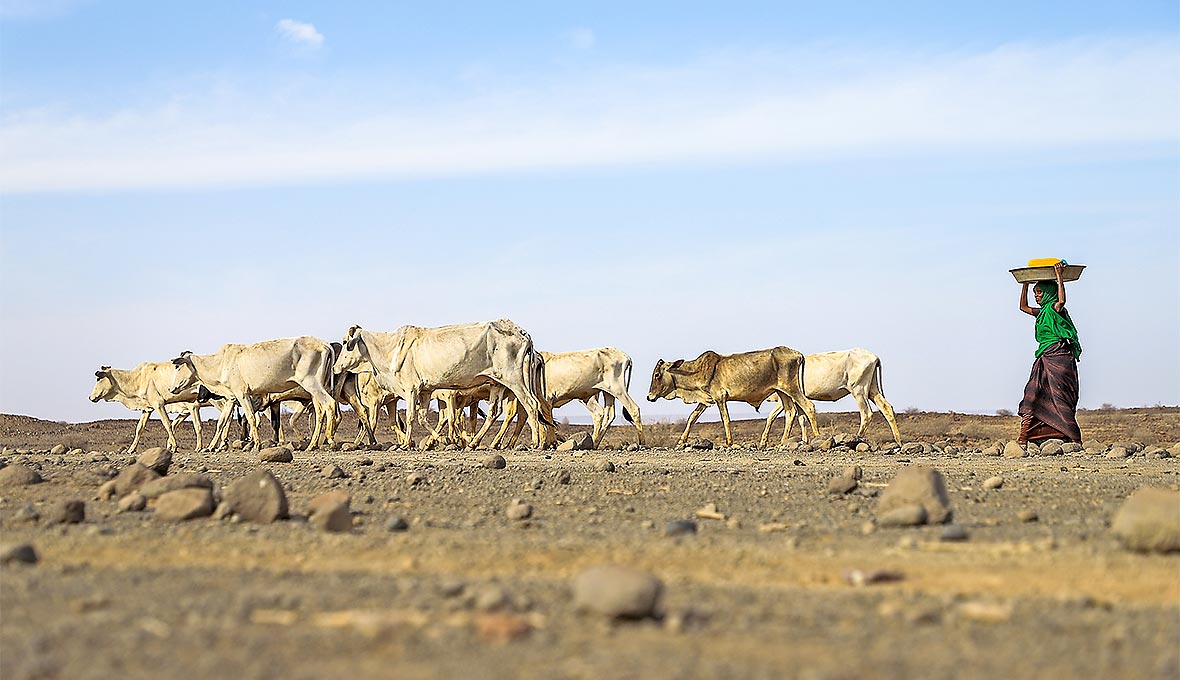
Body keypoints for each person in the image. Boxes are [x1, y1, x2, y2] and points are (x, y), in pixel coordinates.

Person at [1016, 261, 1082, 444]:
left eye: (1039, 292)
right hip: (1044, 356)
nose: (1036, 296)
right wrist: (1025, 285)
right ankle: (1025, 437)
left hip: (1060, 356)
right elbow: (1023, 307)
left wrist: (1059, 276)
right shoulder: (1042, 311)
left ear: (1048, 293)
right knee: (1033, 391)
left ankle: (1071, 437)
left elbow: (1061, 300)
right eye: (1035, 293)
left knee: (1060, 397)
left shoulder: (1055, 308)